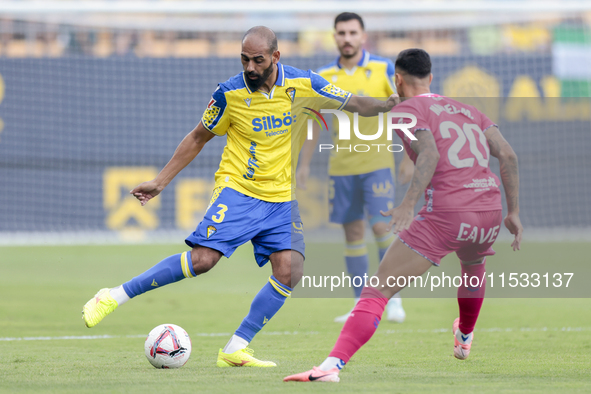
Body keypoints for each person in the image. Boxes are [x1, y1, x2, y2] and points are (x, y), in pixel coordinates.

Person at [82, 26, 399, 368]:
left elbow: (356, 103)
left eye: (258, 60)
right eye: (244, 59)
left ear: (275, 57)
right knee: (203, 261)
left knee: (290, 270)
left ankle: (235, 347)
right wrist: (161, 181)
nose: (249, 67)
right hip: (240, 190)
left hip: (281, 198)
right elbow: (197, 137)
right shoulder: (228, 93)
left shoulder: (304, 84)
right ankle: (114, 295)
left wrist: (390, 103)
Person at [284, 48, 523, 382]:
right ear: (431, 78)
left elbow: (429, 152)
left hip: (448, 212)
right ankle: (465, 337)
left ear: (397, 79)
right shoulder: (468, 110)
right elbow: (508, 155)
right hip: (489, 210)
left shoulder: (406, 109)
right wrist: (513, 213)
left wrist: (409, 204)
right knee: (473, 267)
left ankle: (330, 367)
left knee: (378, 289)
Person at [297, 12, 413, 323]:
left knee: (381, 228)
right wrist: (304, 165)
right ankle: (360, 305)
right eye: (341, 33)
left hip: (377, 165)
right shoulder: (322, 76)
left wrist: (408, 156)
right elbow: (314, 123)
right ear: (334, 37)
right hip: (341, 169)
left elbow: (409, 110)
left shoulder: (383, 69)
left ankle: (393, 299)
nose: (346, 38)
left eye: (352, 32)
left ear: (363, 36)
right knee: (353, 234)